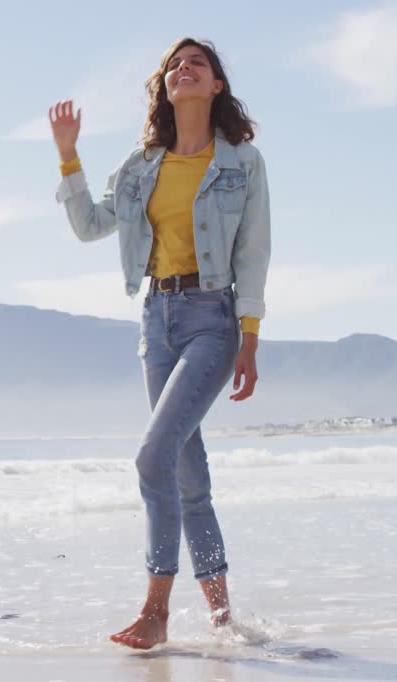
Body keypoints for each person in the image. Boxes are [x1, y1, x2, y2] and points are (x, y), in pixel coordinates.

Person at [48, 37, 270, 650]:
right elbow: (91, 225)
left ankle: (156, 610)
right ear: (165, 86)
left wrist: (249, 338)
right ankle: (225, 619)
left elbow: (253, 252)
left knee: (153, 458)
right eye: (174, 64)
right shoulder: (142, 164)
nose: (184, 68)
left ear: (216, 84)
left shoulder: (242, 164)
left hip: (212, 320)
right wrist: (69, 157)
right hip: (156, 319)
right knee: (186, 472)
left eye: (197, 62)